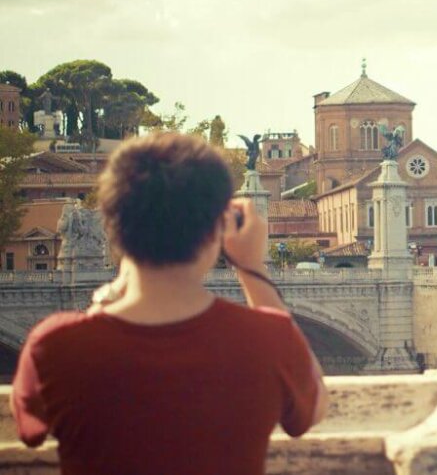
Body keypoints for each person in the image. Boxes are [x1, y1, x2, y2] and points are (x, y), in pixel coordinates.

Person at [10, 133, 329, 475]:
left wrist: (108, 298)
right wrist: (251, 269)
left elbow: (30, 430)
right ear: (218, 229)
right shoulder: (269, 338)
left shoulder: (54, 344)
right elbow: (311, 411)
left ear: (112, 226)